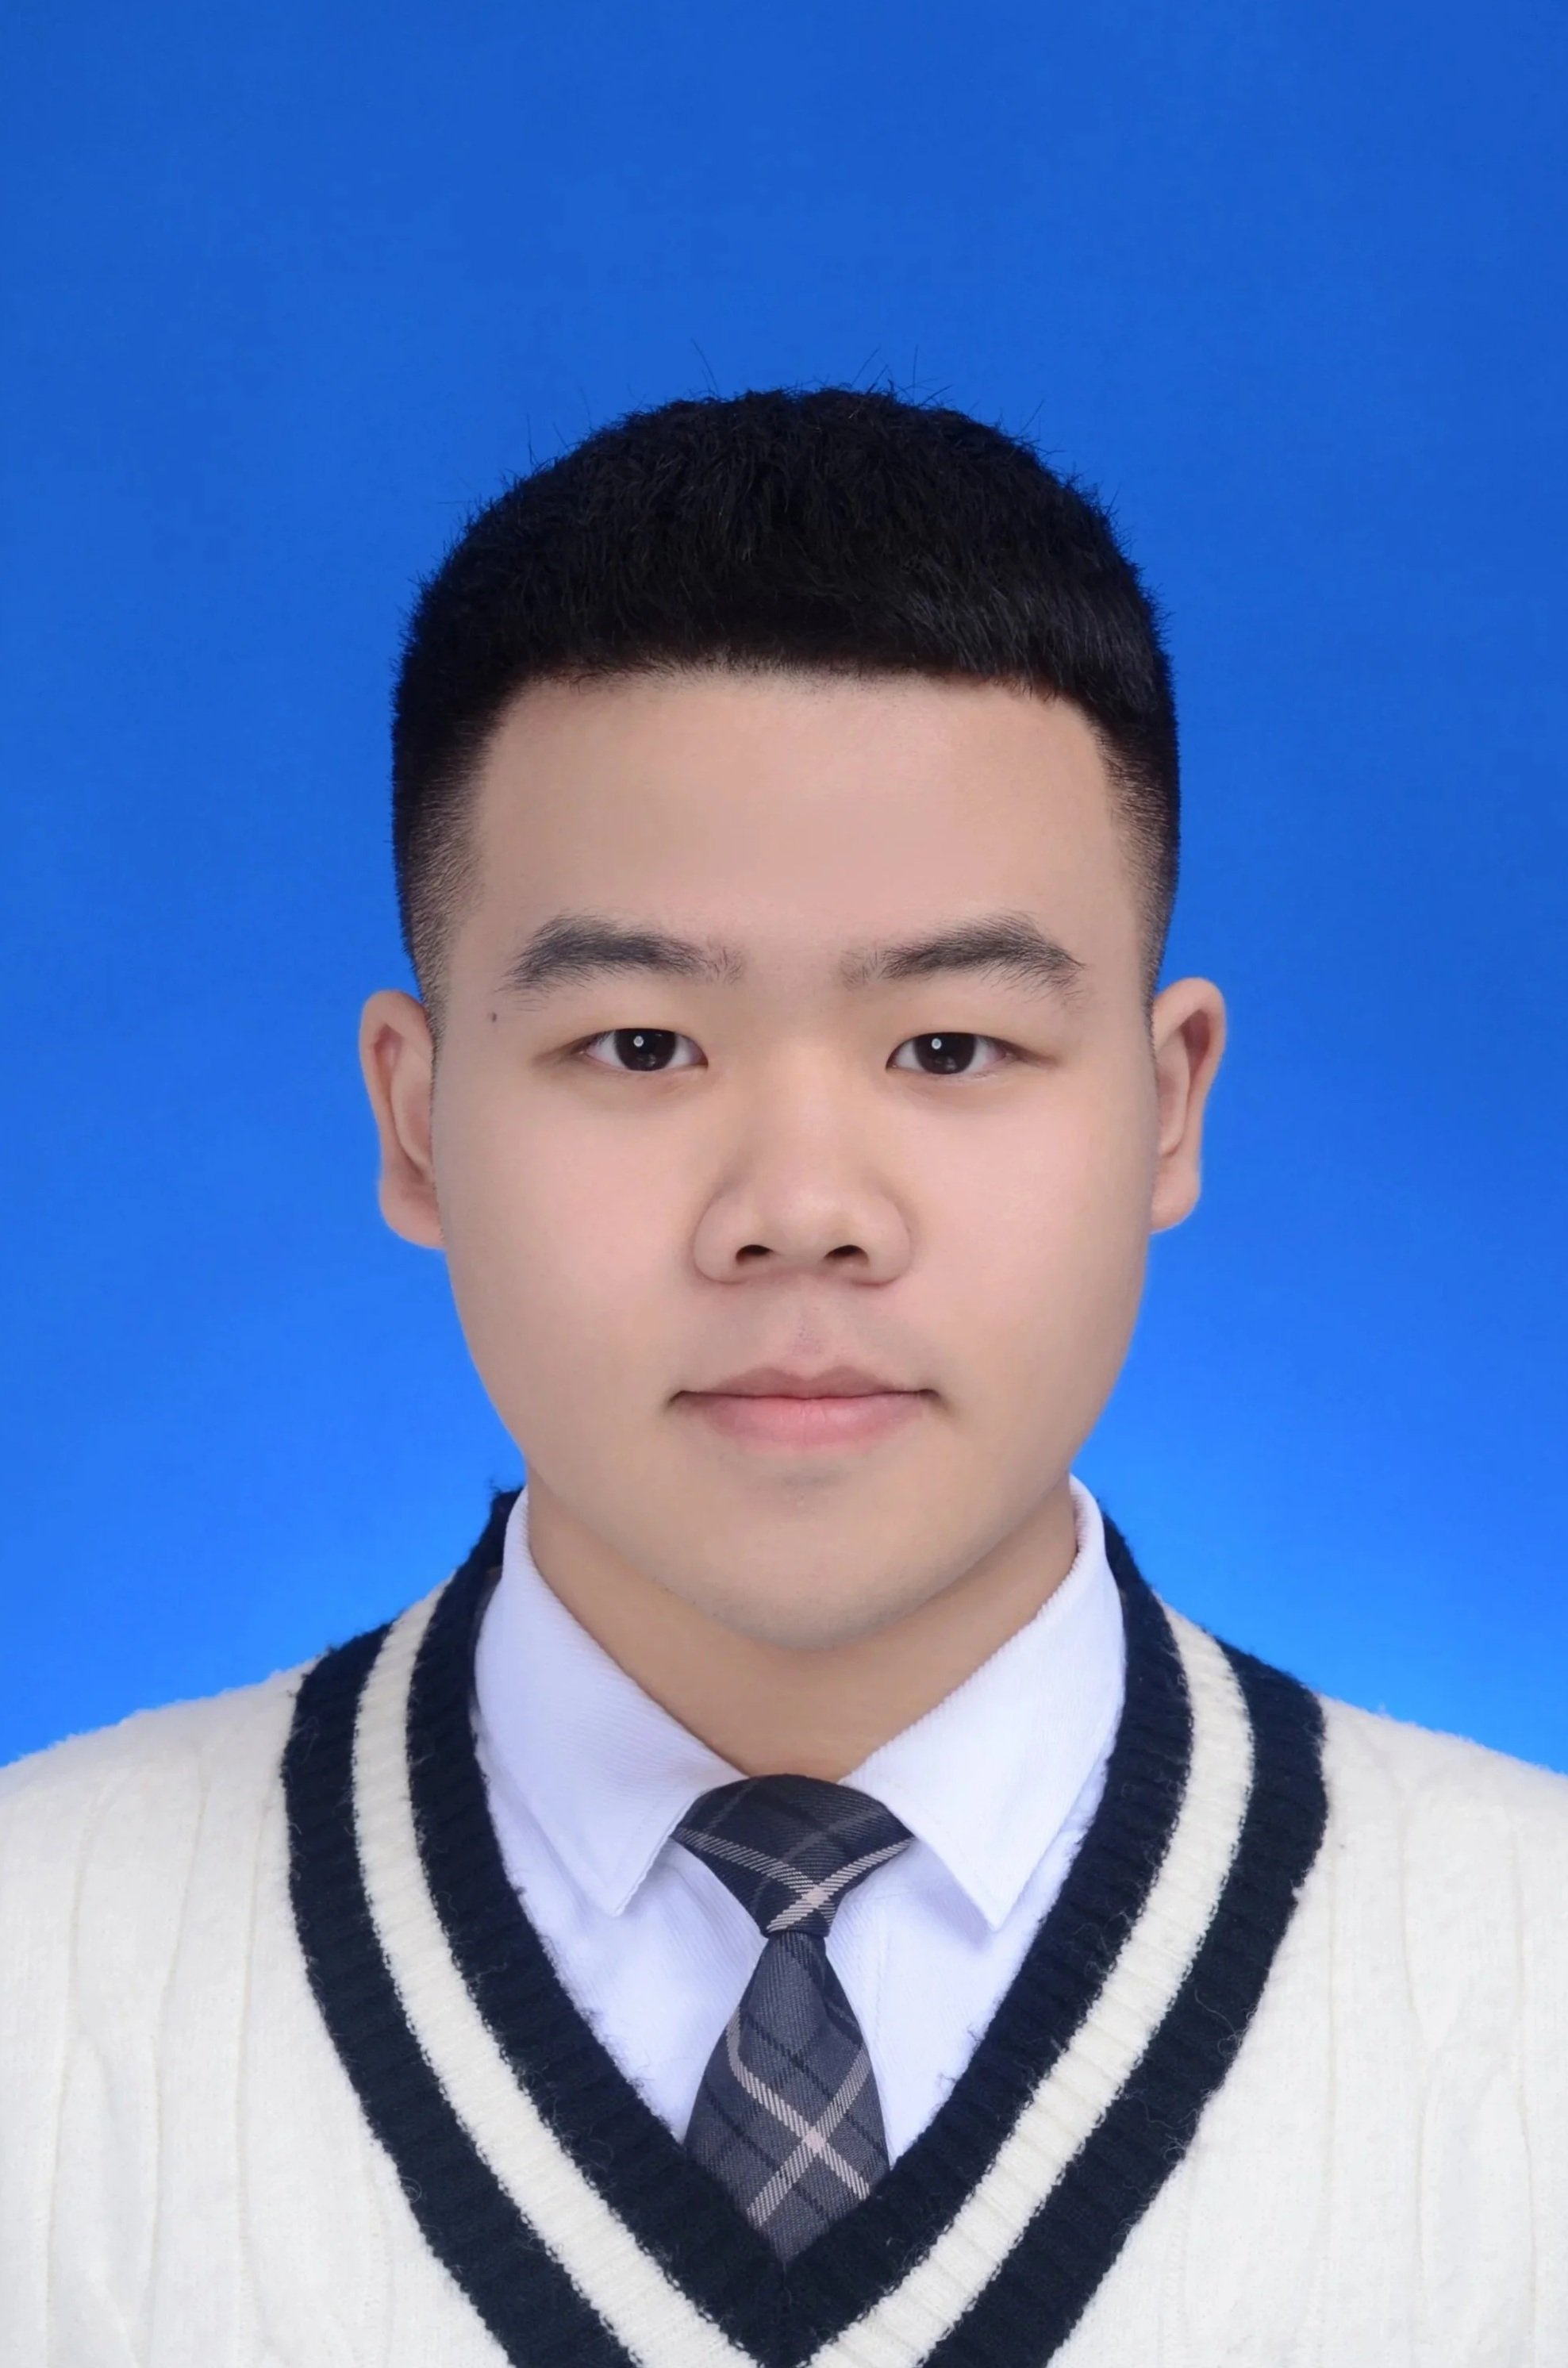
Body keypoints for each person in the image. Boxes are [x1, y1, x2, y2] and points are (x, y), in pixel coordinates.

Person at [2, 387, 1565, 2368]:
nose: (802, 1210)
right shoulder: (38, 1978)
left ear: (1169, 1107)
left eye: (950, 1047)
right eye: (642, 1046)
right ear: (414, 1121)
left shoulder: (1527, 1993)